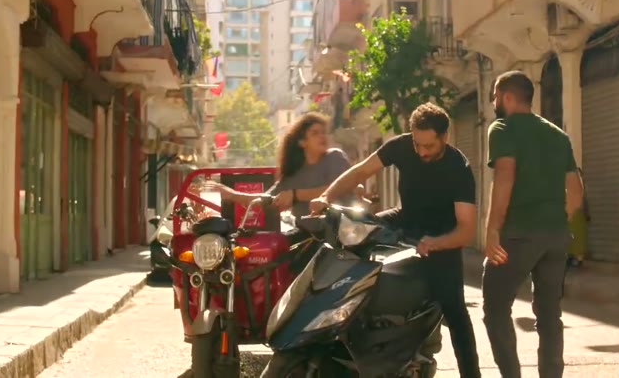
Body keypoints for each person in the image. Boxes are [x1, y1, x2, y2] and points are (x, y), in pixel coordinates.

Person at [309, 103, 482, 378]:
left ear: (444, 137)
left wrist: (436, 243)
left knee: (456, 312)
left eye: (429, 146)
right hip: (405, 218)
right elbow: (359, 172)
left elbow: (466, 229)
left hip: (441, 234)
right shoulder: (401, 146)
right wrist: (325, 197)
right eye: (417, 144)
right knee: (353, 229)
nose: (421, 152)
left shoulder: (458, 168)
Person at [482, 70, 583, 378]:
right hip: (556, 237)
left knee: (496, 308)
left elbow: (504, 177)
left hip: (518, 234)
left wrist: (492, 230)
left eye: (495, 97)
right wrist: (557, 221)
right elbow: (576, 191)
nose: (494, 103)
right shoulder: (558, 135)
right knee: (550, 315)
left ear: (507, 97)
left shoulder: (502, 128)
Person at [205, 112, 362, 217]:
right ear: (302, 142)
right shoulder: (293, 174)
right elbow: (265, 200)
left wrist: (295, 195)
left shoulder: (335, 157)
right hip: (308, 239)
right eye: (315, 133)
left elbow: (339, 187)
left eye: (323, 132)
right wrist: (232, 195)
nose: (322, 136)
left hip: (345, 235)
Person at [567, 168, 590, 268]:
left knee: (577, 236)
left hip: (577, 213)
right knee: (575, 236)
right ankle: (574, 257)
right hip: (576, 212)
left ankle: (577, 258)